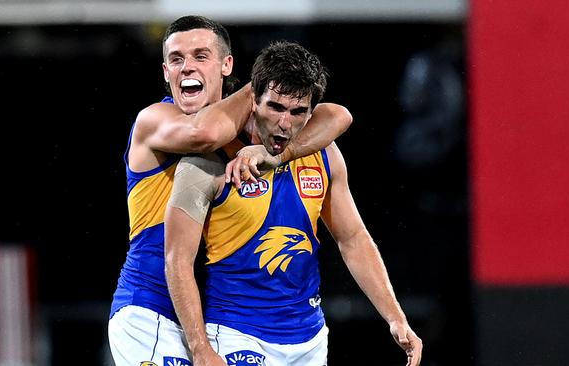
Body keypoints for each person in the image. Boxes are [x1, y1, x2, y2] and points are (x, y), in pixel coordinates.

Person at [108, 16, 353, 366]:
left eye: (200, 56)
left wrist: (278, 151)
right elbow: (203, 133)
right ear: (165, 71)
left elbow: (337, 116)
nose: (187, 67)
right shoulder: (155, 120)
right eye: (176, 59)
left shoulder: (245, 126)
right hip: (151, 309)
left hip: (206, 315)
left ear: (226, 64)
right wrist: (262, 85)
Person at [164, 40, 423, 366]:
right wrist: (200, 348)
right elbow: (176, 260)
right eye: (276, 107)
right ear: (253, 101)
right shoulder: (207, 164)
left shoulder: (324, 155)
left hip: (309, 339)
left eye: (298, 112)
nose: (285, 123)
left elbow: (352, 238)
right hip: (235, 334)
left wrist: (396, 317)